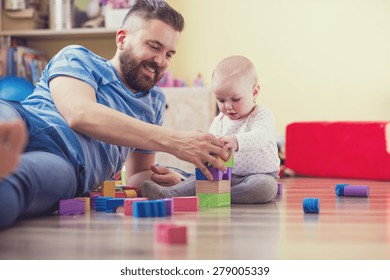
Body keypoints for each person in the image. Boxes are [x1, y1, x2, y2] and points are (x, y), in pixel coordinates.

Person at [0, 0, 228, 229]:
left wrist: (170, 181)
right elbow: (80, 113)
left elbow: (137, 174)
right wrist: (176, 141)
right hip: (27, 119)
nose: (160, 61)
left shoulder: (154, 102)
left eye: (169, 54)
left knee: (18, 182)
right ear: (122, 39)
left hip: (68, 163)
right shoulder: (78, 57)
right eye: (154, 46)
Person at [142, 55, 280, 204]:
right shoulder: (219, 120)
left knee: (264, 188)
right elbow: (210, 150)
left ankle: (219, 195)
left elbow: (261, 136)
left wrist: (235, 141)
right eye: (221, 100)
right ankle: (169, 193)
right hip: (224, 174)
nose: (227, 106)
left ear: (254, 92)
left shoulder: (261, 115)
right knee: (201, 176)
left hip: (259, 175)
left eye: (235, 99)